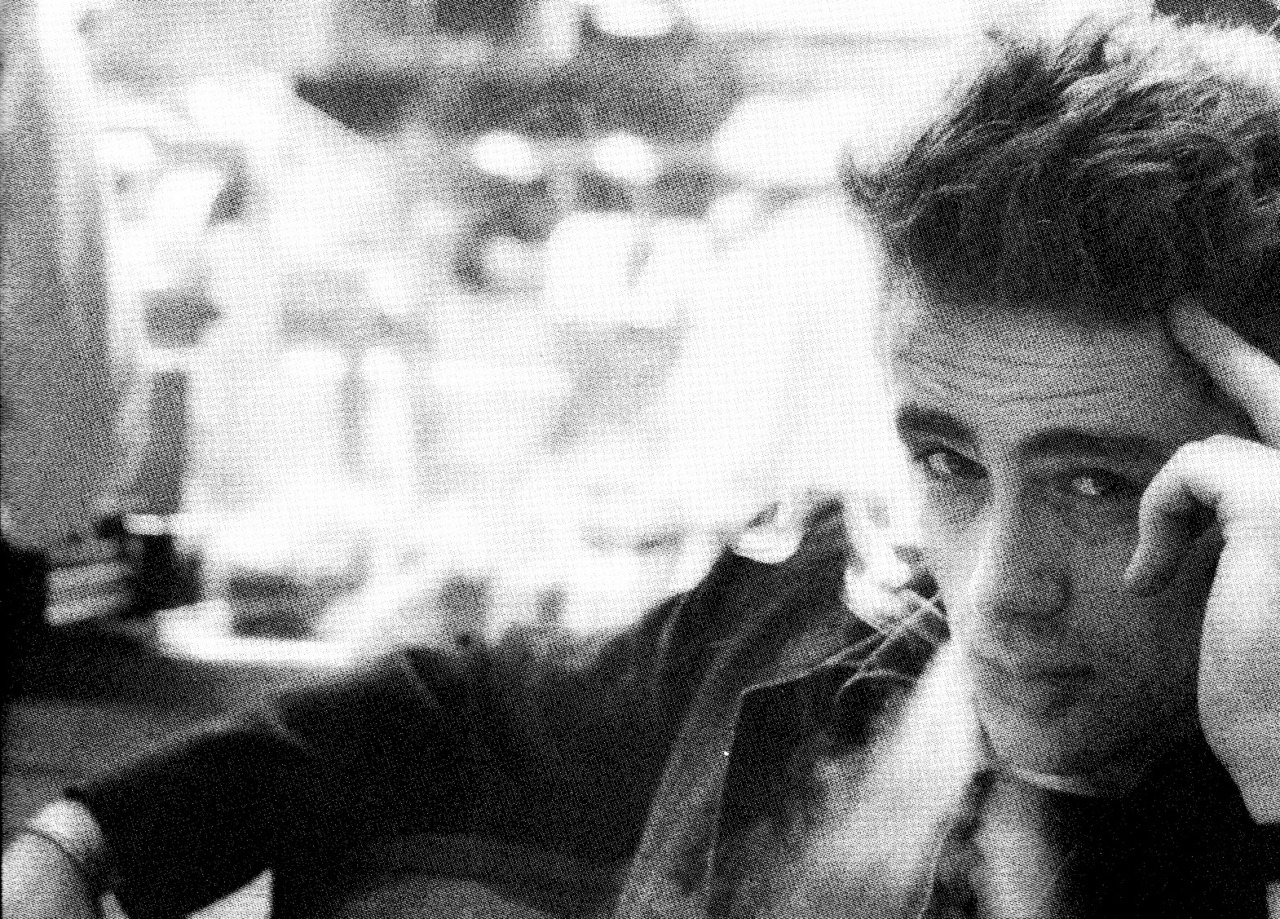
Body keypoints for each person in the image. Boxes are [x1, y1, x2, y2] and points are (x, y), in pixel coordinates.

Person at [5, 11, 1279, 919]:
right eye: (947, 460)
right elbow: (468, 704)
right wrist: (85, 839)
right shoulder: (808, 617)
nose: (997, 590)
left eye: (1095, 485)